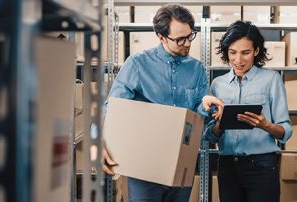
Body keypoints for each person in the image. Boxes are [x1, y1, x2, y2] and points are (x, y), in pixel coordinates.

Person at [103, 3, 223, 202]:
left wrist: (206, 104)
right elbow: (113, 108)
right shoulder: (138, 64)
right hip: (144, 167)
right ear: (160, 36)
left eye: (190, 36)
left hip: (181, 164)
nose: (187, 43)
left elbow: (197, 117)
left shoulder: (197, 69)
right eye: (179, 39)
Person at [203, 21, 293, 202]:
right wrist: (220, 124)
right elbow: (210, 136)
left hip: (262, 166)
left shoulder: (271, 80)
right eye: (233, 52)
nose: (238, 60)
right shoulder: (217, 84)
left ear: (257, 51)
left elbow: (286, 131)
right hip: (227, 167)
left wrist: (265, 125)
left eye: (246, 53)